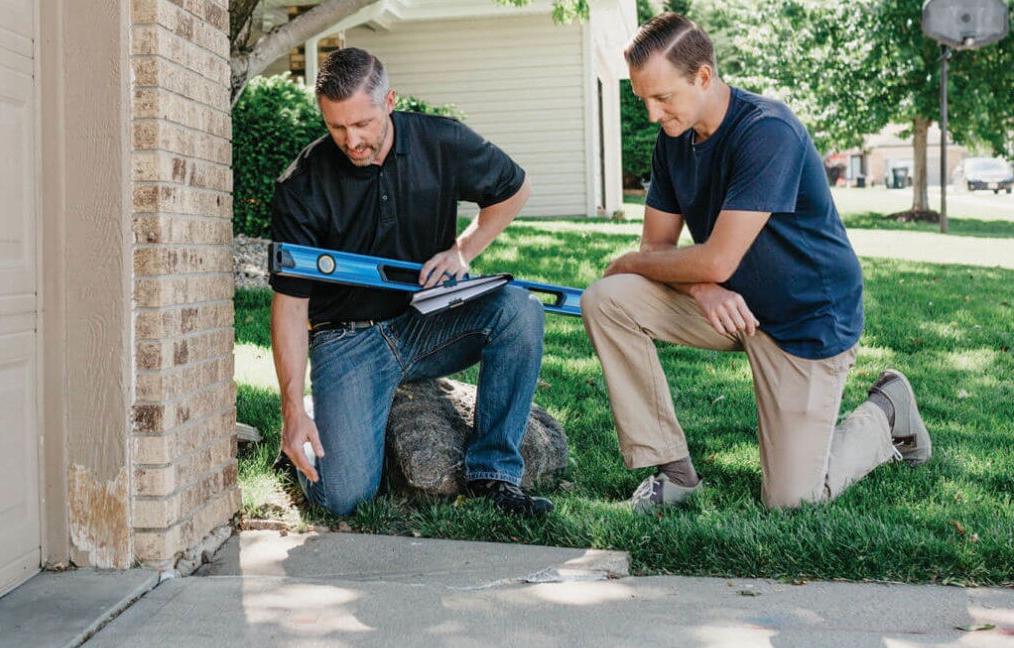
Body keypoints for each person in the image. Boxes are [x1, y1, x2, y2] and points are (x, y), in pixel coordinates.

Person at [581, 13, 931, 512]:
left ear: (703, 77)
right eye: (645, 101)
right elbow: (659, 250)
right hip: (731, 306)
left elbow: (716, 258)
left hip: (806, 321)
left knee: (791, 501)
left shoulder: (768, 132)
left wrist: (657, 265)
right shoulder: (673, 141)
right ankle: (674, 474)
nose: (654, 115)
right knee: (607, 299)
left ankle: (888, 412)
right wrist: (702, 287)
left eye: (663, 98)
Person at [269, 48, 552, 517]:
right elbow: (290, 307)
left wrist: (463, 250)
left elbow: (514, 189)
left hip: (425, 322)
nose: (351, 140)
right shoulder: (302, 185)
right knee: (342, 497)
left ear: (390, 102)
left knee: (520, 310)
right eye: (336, 127)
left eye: (362, 124)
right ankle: (311, 434)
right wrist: (292, 410)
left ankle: (494, 474)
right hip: (347, 341)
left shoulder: (442, 143)